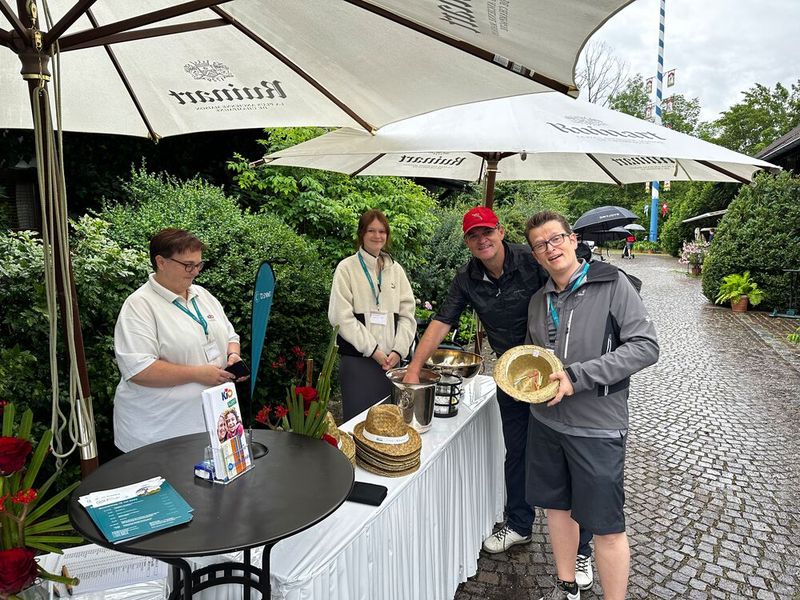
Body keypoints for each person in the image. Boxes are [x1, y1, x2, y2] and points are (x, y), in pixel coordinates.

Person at [403, 206, 594, 588]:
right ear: (467, 242)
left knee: (569, 457)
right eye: (473, 235)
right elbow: (442, 321)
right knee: (517, 452)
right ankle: (520, 523)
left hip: (553, 373)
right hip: (510, 378)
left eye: (487, 231)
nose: (482, 240)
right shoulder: (467, 278)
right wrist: (414, 368)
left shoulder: (532, 259)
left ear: (501, 231)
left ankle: (582, 547)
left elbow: (571, 281)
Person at [523, 211, 659, 600]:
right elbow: (538, 356)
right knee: (557, 509)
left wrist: (578, 376)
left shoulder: (613, 283)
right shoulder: (538, 300)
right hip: (546, 422)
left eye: (556, 238)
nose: (550, 248)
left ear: (572, 240)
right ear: (535, 256)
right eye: (540, 245)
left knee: (607, 526)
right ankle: (567, 587)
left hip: (597, 427)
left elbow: (645, 347)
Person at [113, 228, 246, 452]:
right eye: (188, 265)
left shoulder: (203, 295)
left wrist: (233, 355)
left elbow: (230, 335)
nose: (195, 272)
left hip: (213, 424)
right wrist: (197, 374)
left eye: (199, 265)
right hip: (160, 433)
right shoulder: (139, 305)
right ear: (161, 262)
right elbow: (138, 369)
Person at [328, 209, 416, 421]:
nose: (378, 236)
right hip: (358, 362)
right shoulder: (346, 268)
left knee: (389, 423)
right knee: (358, 423)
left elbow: (407, 314)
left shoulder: (396, 270)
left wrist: (399, 350)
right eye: (371, 231)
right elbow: (340, 317)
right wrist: (374, 350)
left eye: (382, 231)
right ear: (362, 234)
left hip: (391, 363)